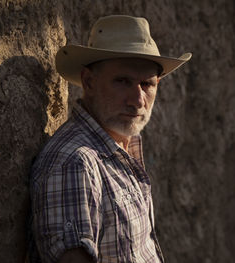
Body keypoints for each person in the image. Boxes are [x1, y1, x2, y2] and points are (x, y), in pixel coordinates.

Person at [29, 15, 191, 263]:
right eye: (122, 81)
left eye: (146, 84)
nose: (137, 101)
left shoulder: (121, 146)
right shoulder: (76, 162)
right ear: (89, 81)